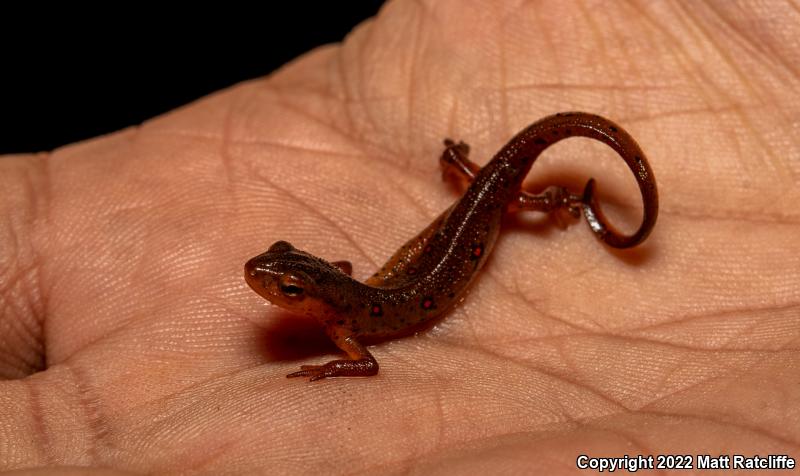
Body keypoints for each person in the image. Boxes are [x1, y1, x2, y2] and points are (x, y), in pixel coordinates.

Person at [1, 1, 797, 473]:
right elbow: (352, 302)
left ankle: (530, 192)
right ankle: (528, 191)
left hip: (467, 227)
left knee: (485, 210)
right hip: (461, 227)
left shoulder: (349, 325)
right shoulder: (348, 307)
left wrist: (327, 372)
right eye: (285, 280)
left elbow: (369, 363)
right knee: (484, 209)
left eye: (284, 282)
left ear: (313, 292)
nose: (269, 284)